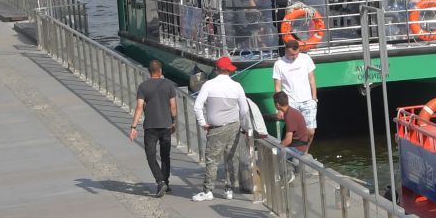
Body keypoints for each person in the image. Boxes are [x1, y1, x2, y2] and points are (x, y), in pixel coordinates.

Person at [192, 56, 266, 202]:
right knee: (231, 158)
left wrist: (203, 123)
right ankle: (229, 189)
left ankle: (208, 190)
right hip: (234, 126)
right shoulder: (237, 86)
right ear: (229, 70)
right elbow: (244, 109)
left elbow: (197, 106)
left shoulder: (209, 85)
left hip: (216, 127)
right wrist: (238, 121)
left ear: (217, 69)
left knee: (212, 159)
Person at [129, 59, 179, 198]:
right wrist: (174, 121)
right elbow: (173, 106)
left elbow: (139, 107)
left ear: (149, 71)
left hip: (150, 126)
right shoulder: (169, 85)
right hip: (166, 125)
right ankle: (166, 183)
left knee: (150, 156)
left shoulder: (143, 87)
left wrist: (133, 126)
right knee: (165, 156)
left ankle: (160, 181)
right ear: (160, 71)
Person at [271, 40, 318, 134]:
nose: (294, 57)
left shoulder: (306, 58)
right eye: (291, 55)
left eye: (296, 54)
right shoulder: (279, 64)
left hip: (308, 101)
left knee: (310, 131)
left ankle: (305, 149)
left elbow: (312, 79)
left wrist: (314, 97)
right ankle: (297, 149)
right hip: (291, 103)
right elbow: (277, 88)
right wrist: (279, 109)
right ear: (286, 51)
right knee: (294, 132)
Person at [272, 90, 314, 155]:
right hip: (297, 145)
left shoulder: (289, 115)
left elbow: (288, 140)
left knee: (273, 153)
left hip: (298, 149)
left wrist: (277, 147)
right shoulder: (290, 111)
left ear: (277, 105)